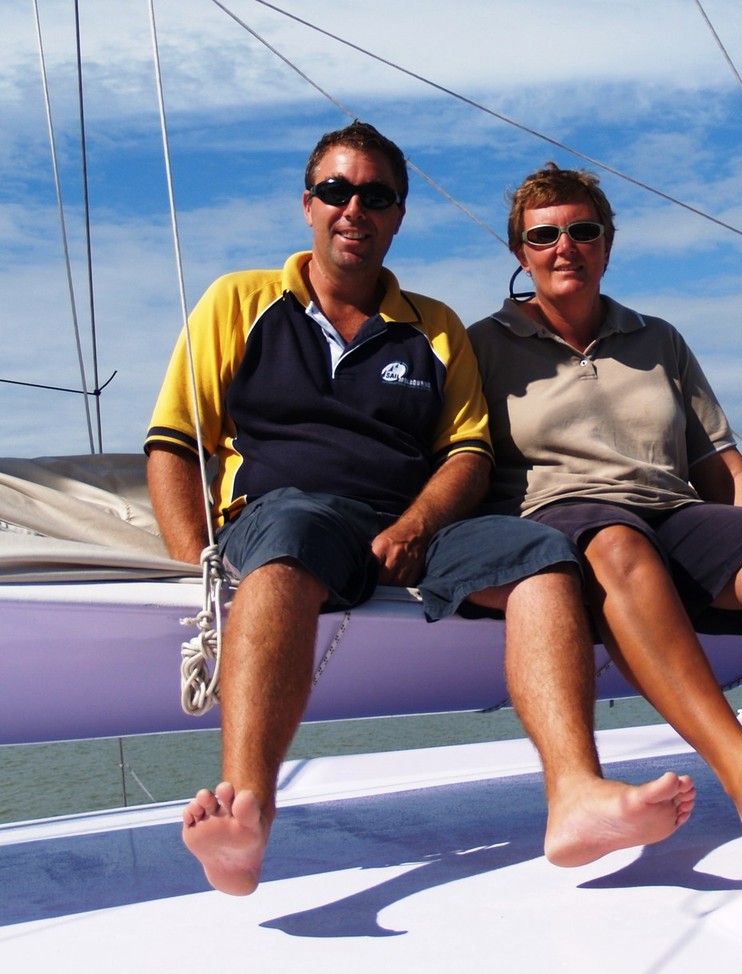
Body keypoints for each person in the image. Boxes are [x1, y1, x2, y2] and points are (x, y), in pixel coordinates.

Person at [145, 126, 695, 895]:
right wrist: (187, 566)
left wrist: (417, 524)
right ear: (308, 204)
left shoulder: (434, 328)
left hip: (411, 525)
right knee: (292, 540)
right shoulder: (238, 303)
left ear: (398, 215)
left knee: (543, 558)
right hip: (287, 510)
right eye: (336, 191)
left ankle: (575, 794)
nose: (353, 209)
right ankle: (248, 815)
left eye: (376, 195)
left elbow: (467, 454)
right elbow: (174, 443)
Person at [468, 162, 742, 832]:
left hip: (671, 511)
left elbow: (720, 462)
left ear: (606, 244)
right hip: (564, 514)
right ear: (520, 253)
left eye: (582, 230)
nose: (564, 246)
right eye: (544, 236)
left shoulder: (657, 340)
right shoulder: (481, 346)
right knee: (619, 542)